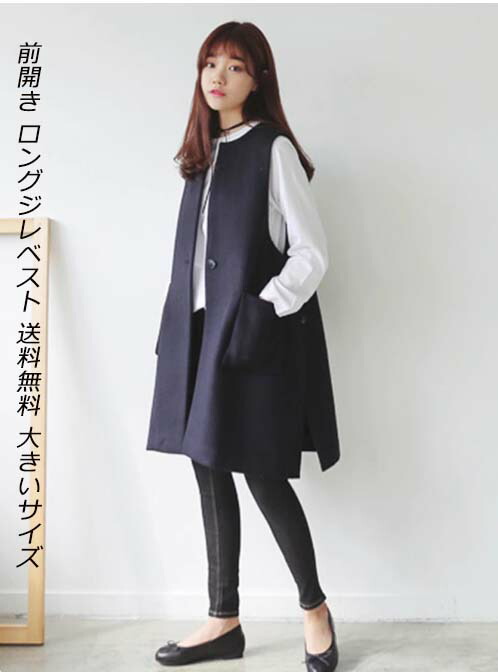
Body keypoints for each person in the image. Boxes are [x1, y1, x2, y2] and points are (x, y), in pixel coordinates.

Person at [147, 20, 340, 672]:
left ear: (256, 80)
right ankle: (222, 620)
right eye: (210, 63)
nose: (218, 76)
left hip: (250, 336)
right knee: (206, 468)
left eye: (234, 66)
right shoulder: (200, 157)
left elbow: (311, 253)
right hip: (196, 335)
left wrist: (264, 306)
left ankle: (314, 608)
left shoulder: (271, 149)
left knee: (262, 472)